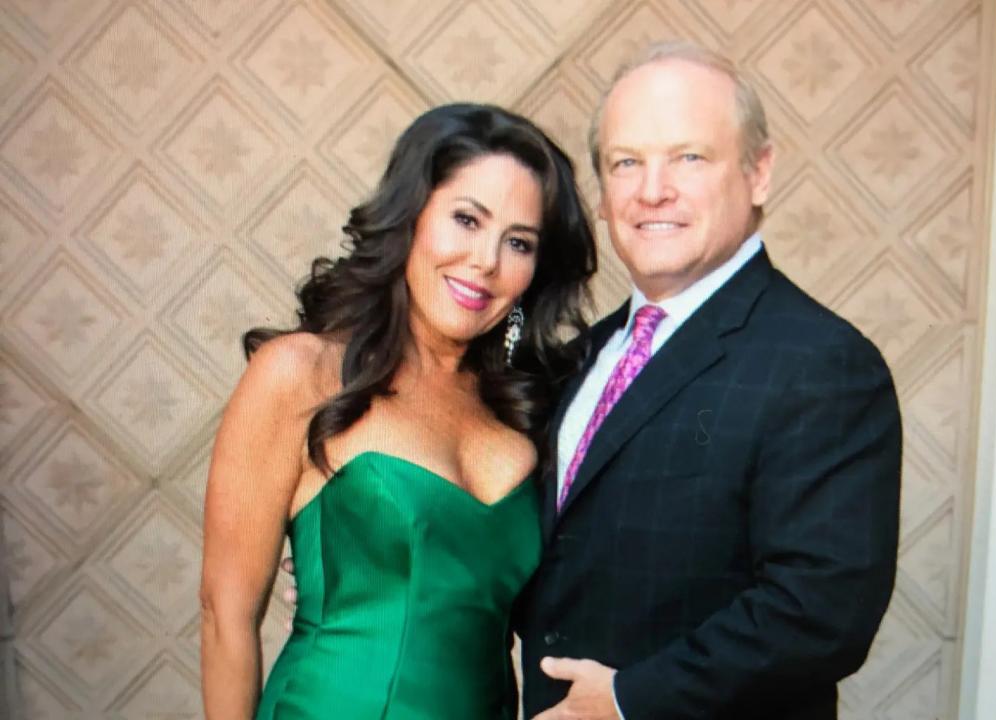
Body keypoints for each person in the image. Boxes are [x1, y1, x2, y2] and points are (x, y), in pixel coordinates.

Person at [516, 42, 902, 719]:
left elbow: (822, 610)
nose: (652, 190)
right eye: (626, 162)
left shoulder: (824, 363)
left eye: (689, 157)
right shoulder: (577, 360)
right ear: (602, 194)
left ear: (759, 172)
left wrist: (628, 701)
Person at [199, 103, 596, 719]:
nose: (486, 261)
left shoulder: (533, 406)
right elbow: (225, 614)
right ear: (410, 217)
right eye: (466, 220)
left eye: (518, 242)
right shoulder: (301, 373)